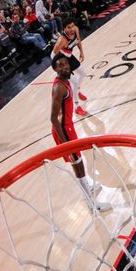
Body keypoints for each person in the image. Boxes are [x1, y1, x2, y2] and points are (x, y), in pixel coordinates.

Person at [50, 54, 109, 212]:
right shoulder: (59, 87)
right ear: (55, 69)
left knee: (79, 162)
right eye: (60, 65)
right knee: (78, 164)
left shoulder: (66, 81)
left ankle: (87, 186)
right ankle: (92, 204)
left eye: (66, 64)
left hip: (68, 127)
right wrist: (65, 145)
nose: (65, 67)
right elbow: (53, 118)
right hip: (63, 131)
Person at [52, 18, 88, 116]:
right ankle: (77, 107)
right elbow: (53, 54)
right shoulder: (61, 40)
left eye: (72, 26)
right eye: (69, 27)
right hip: (63, 62)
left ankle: (78, 91)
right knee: (75, 82)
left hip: (70, 57)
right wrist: (59, 67)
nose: (72, 28)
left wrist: (81, 52)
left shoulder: (75, 29)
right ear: (64, 29)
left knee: (83, 74)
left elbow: (78, 40)